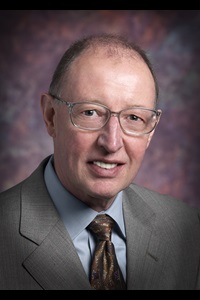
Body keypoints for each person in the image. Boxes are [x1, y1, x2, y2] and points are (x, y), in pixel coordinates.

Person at [0, 33, 200, 291]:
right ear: (51, 117)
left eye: (134, 118)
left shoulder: (188, 229)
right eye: (90, 112)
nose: (112, 143)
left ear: (151, 130)